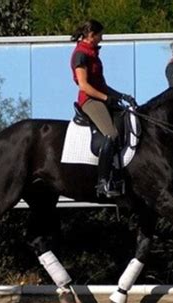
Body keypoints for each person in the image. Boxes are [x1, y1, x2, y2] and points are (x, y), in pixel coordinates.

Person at [70, 19, 134, 198]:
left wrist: (121, 96)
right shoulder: (80, 55)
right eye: (100, 35)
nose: (102, 38)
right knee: (111, 134)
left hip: (100, 97)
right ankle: (103, 182)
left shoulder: (92, 53)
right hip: (90, 101)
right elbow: (84, 86)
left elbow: (101, 84)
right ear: (91, 35)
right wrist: (107, 99)